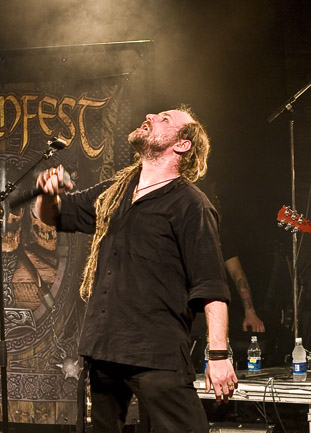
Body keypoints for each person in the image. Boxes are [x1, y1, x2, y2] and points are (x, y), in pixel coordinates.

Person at [33, 107, 238, 433]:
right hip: (104, 348)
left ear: (182, 145)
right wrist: (48, 194)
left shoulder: (191, 205)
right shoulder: (115, 192)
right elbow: (55, 215)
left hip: (156, 351)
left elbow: (211, 285)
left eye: (165, 119)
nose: (151, 115)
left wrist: (218, 355)